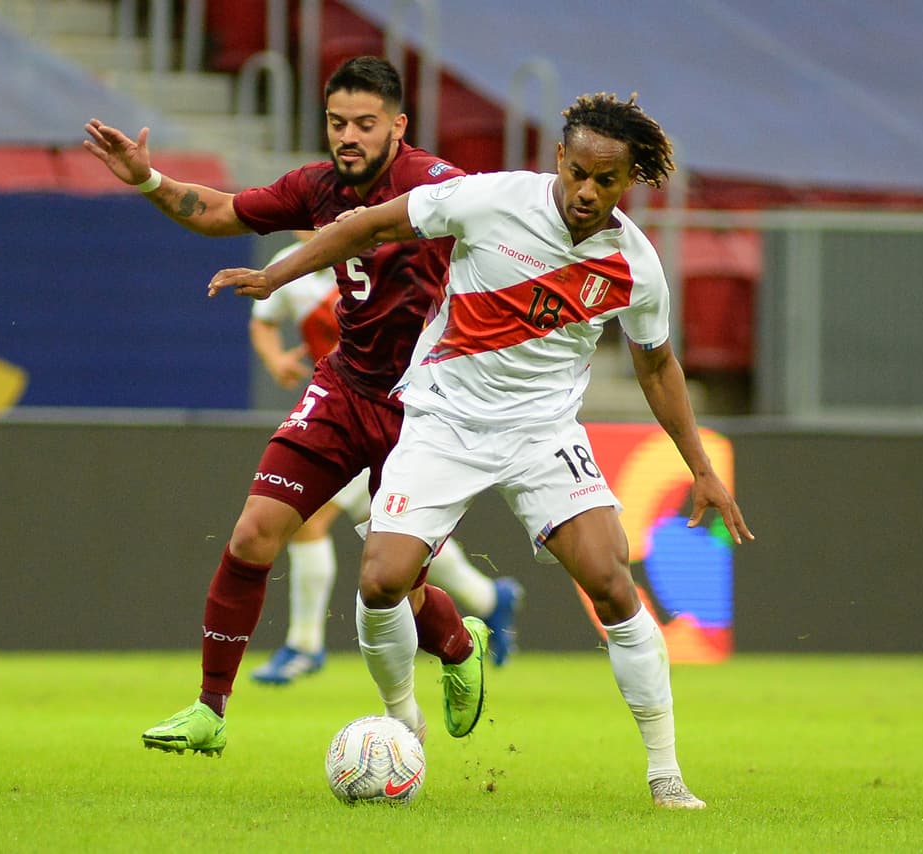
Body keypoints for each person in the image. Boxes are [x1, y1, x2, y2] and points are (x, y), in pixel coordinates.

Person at [208, 92, 756, 809]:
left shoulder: (635, 265)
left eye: (607, 180)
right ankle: (405, 725)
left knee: (612, 582)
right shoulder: (488, 200)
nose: (587, 191)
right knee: (381, 581)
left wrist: (704, 472)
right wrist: (275, 275)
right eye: (579, 172)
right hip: (442, 420)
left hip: (542, 435)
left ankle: (666, 776)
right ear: (559, 158)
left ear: (629, 183)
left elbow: (657, 367)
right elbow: (372, 223)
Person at [83, 56, 490, 755]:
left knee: (395, 586)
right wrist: (149, 180)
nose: (348, 137)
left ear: (398, 125)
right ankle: (210, 710)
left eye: (365, 124)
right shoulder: (318, 186)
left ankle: (458, 645)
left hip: (424, 409)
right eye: (337, 123)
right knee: (252, 536)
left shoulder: (436, 186)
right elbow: (218, 210)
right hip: (343, 389)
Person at [248, 233, 524, 684]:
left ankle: (304, 646)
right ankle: (490, 598)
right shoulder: (291, 268)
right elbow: (264, 318)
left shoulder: (382, 259)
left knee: (311, 521)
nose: (313, 222)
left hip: (394, 415)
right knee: (399, 533)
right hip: (340, 415)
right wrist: (275, 357)